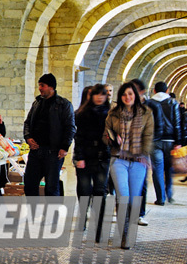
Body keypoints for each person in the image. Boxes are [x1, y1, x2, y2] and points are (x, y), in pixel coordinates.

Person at [104, 82, 154, 249]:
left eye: (130, 94)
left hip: (138, 161)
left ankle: (129, 232)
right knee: (123, 196)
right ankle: (124, 235)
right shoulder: (113, 114)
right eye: (124, 94)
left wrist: (144, 155)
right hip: (118, 159)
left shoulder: (146, 113)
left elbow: (148, 135)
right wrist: (112, 138)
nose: (127, 97)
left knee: (133, 199)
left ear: (136, 96)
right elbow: (105, 135)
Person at [23, 73, 76, 196]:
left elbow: (70, 128)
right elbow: (27, 123)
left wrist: (64, 146)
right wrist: (28, 137)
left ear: (51, 87)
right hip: (36, 151)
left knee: (51, 188)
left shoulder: (64, 105)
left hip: (53, 153)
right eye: (39, 85)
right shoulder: (37, 103)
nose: (40, 88)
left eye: (42, 85)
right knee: (30, 185)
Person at [73, 84, 110, 237]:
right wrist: (79, 157)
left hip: (102, 156)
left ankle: (99, 227)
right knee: (84, 189)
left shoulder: (110, 114)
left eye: (103, 94)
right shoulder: (82, 114)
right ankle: (83, 218)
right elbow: (79, 137)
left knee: (100, 191)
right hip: (85, 155)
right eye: (97, 94)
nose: (100, 97)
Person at [130, 78, 164, 225]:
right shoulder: (124, 107)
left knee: (140, 181)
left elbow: (159, 128)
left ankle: (139, 213)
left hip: (142, 150)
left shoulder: (153, 107)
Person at [150, 81, 183, 205]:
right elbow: (177, 123)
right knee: (169, 168)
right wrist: (178, 141)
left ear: (154, 91)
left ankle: (160, 198)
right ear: (167, 91)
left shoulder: (149, 103)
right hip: (170, 140)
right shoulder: (173, 102)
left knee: (157, 169)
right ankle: (169, 194)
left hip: (154, 141)